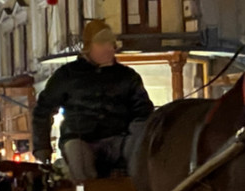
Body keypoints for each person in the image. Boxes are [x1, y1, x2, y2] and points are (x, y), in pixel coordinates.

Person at [31, 19, 154, 182]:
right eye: (102, 44)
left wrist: (136, 135)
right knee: (80, 164)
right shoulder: (67, 75)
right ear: (89, 47)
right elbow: (43, 110)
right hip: (80, 139)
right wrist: (42, 147)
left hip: (119, 140)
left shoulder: (127, 77)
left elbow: (143, 111)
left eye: (111, 44)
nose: (109, 48)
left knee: (138, 158)